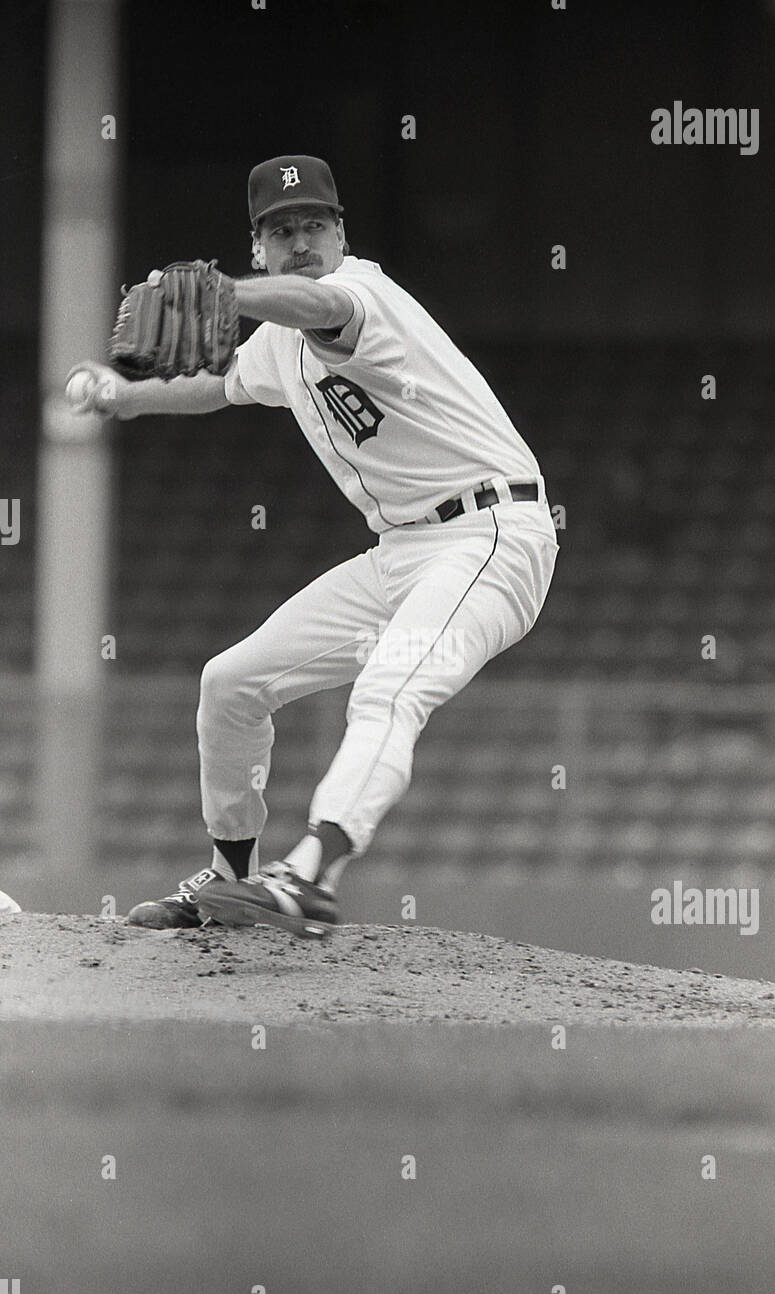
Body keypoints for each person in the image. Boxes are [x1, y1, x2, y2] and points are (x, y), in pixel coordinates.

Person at [70, 154, 559, 936]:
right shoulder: (279, 340)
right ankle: (234, 883)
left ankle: (314, 874)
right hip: (403, 550)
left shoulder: (358, 296)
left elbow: (316, 302)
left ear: (341, 234)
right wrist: (123, 396)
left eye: (315, 226)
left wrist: (227, 293)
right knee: (230, 683)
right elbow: (223, 382)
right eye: (281, 230)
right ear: (258, 243)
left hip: (491, 536)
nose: (301, 241)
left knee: (390, 690)